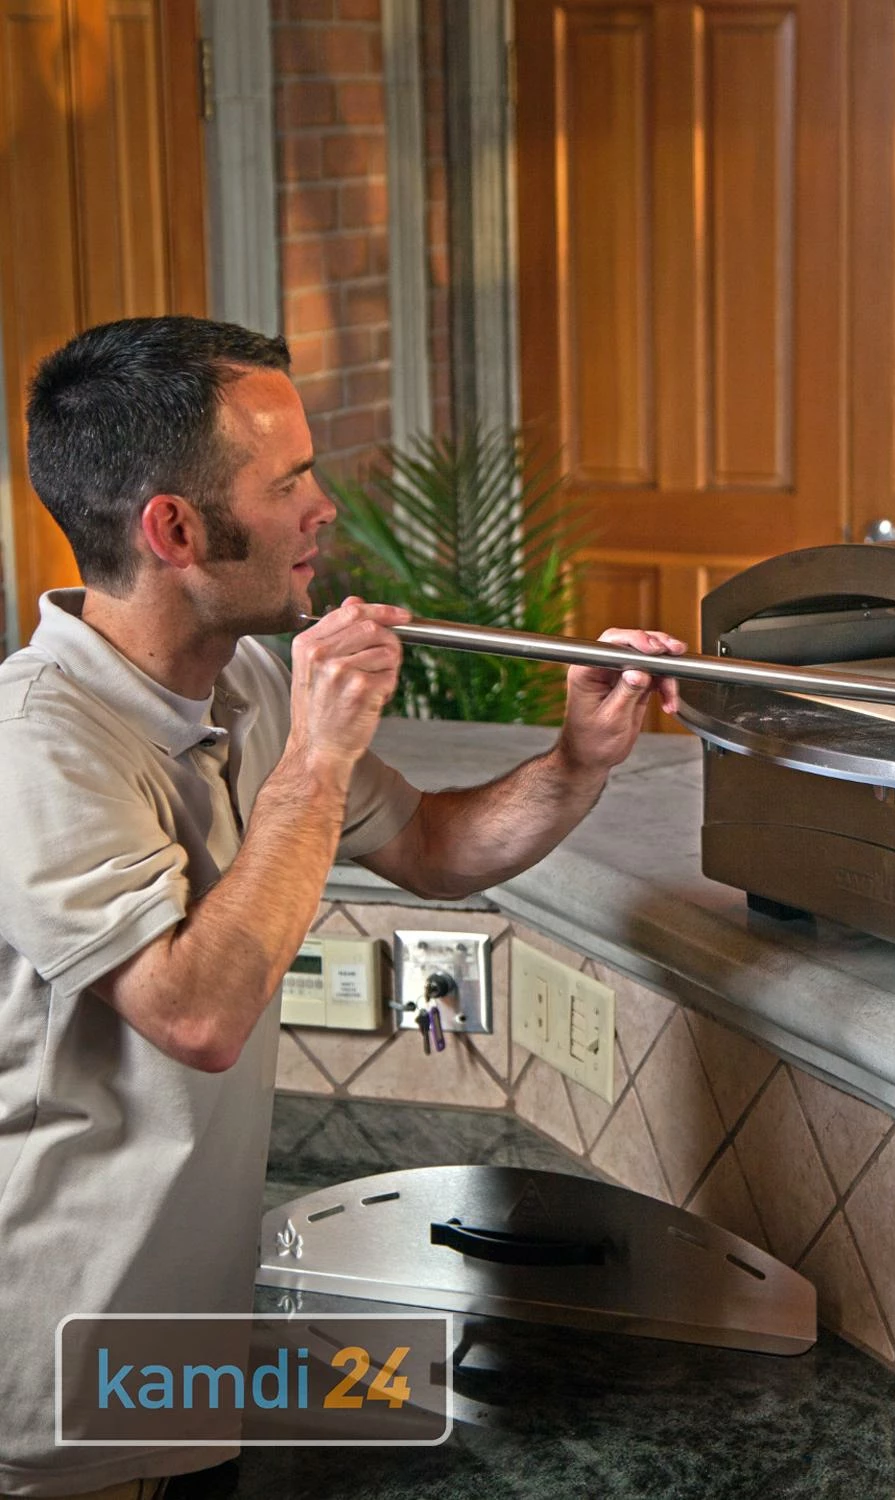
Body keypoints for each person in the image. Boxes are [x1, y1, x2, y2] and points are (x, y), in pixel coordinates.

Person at [0, 316, 686, 1499]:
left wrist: (580, 757)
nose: (325, 508)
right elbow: (198, 1014)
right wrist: (316, 759)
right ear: (174, 529)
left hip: (178, 1367)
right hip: (55, 1390)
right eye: (290, 482)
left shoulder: (249, 679)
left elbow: (432, 847)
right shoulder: (38, 745)